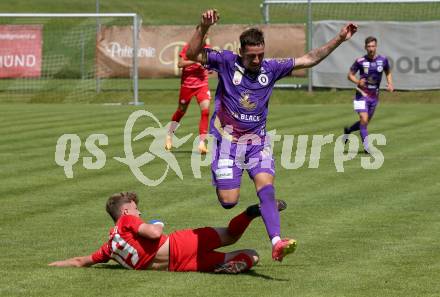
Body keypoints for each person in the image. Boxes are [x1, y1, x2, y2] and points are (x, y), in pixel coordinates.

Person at [185, 9, 358, 261]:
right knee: (228, 201)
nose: (257, 60)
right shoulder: (225, 62)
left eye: (261, 54)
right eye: (252, 56)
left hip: (257, 143)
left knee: (267, 188)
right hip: (226, 144)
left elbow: (309, 59)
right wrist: (202, 27)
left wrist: (339, 39)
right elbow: (191, 54)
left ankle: (276, 241)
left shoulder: (271, 68)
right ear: (242, 52)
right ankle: (254, 210)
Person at [49, 192, 286, 274]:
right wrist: (157, 222)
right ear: (125, 210)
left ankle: (231, 266)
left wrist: (53, 265)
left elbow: (81, 261)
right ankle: (252, 211)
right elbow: (152, 233)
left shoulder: (109, 249)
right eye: (134, 207)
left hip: (181, 265)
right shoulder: (127, 220)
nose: (138, 210)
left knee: (252, 256)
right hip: (182, 243)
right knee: (232, 235)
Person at [344, 36, 394, 153]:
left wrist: (390, 84)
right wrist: (357, 81)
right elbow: (350, 75)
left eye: (373, 46)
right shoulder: (360, 61)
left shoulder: (383, 60)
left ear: (376, 47)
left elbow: (388, 72)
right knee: (363, 118)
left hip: (373, 97)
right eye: (369, 46)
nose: (371, 48)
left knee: (364, 123)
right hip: (361, 95)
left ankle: (349, 130)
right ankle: (367, 147)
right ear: (365, 47)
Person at [166, 32, 211, 154]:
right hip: (188, 86)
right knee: (181, 111)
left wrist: (210, 67)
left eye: (206, 34)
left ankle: (202, 143)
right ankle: (169, 135)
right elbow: (180, 64)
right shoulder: (188, 48)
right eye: (202, 34)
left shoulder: (208, 49)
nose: (204, 36)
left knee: (205, 110)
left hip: (202, 85)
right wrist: (196, 61)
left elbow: (210, 65)